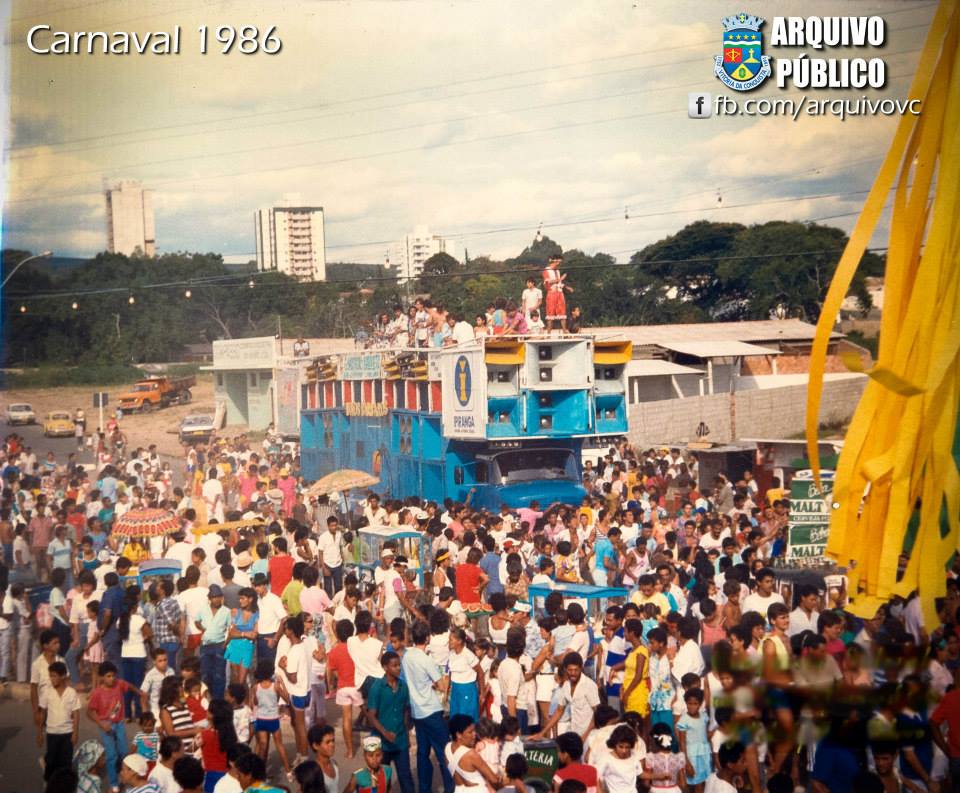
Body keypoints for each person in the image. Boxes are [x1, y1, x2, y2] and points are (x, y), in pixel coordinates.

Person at [401, 620, 454, 793]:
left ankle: (424, 788)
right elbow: (441, 685)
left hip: (417, 711)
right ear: (427, 637)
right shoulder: (426, 660)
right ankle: (450, 788)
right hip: (431, 710)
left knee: (423, 753)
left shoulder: (407, 657)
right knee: (444, 753)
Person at [86, 661, 147, 793]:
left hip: (119, 724)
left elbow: (129, 685)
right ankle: (114, 783)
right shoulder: (97, 693)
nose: (112, 678)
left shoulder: (119, 684)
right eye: (108, 676)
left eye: (113, 675)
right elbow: (89, 712)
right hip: (106, 727)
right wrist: (101, 724)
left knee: (124, 753)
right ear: (101, 677)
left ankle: (123, 777)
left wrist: (139, 692)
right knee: (111, 755)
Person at [366, 651, 414, 793]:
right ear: (385, 667)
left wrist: (406, 734)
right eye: (394, 666)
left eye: (399, 665)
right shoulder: (377, 688)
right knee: (382, 781)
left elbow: (405, 711)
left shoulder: (403, 687)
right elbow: (371, 716)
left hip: (400, 742)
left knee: (406, 778)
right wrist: (385, 733)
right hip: (382, 744)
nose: (398, 668)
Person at [36, 660, 80, 782]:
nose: (51, 679)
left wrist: (75, 733)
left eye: (54, 676)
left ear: (63, 676)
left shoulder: (71, 693)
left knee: (66, 761)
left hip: (67, 732)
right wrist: (40, 732)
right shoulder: (47, 692)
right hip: (52, 732)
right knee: (52, 760)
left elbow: (76, 713)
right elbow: (42, 712)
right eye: (50, 676)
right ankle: (49, 781)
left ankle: (64, 785)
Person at [252, 660, 292, 777]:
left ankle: (259, 771)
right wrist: (282, 683)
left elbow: (255, 702)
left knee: (262, 746)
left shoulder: (256, 687)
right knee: (279, 745)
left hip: (261, 719)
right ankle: (288, 770)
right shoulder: (275, 686)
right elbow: (287, 698)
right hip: (273, 719)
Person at [445, 714, 502, 793]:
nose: (474, 734)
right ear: (459, 735)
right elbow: (494, 780)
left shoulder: (447, 748)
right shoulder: (471, 754)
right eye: (470, 732)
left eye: (474, 731)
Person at [308, 724, 340, 793]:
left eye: (333, 741)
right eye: (327, 742)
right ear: (316, 746)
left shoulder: (334, 764)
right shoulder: (313, 773)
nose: (332, 745)